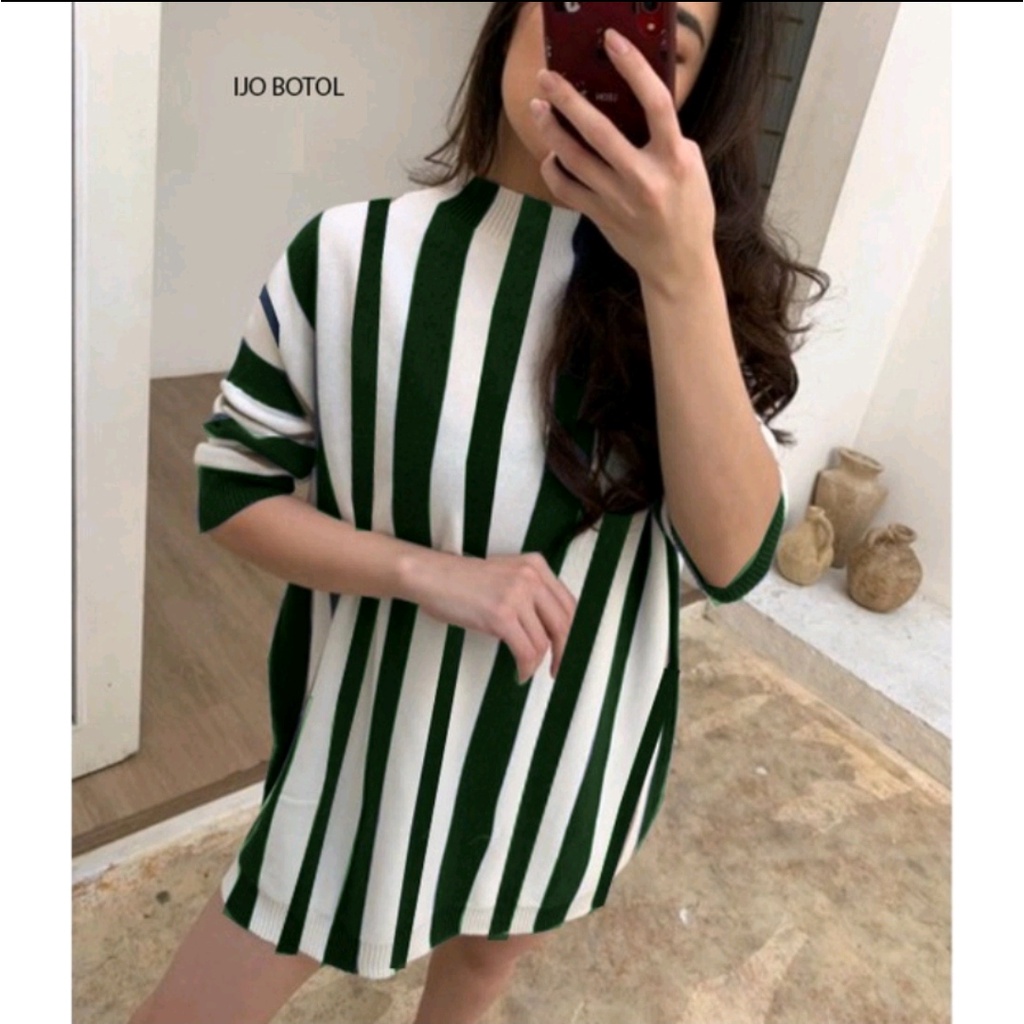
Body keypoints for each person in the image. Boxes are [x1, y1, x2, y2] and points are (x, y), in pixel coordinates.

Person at [129, 3, 827, 1022]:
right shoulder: (349, 256)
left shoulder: (682, 301)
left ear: (687, 98)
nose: (608, 52)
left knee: (481, 971)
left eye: (659, 43)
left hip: (569, 754)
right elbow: (235, 492)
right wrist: (428, 572)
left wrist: (678, 273)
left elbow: (733, 560)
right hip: (367, 755)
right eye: (590, 7)